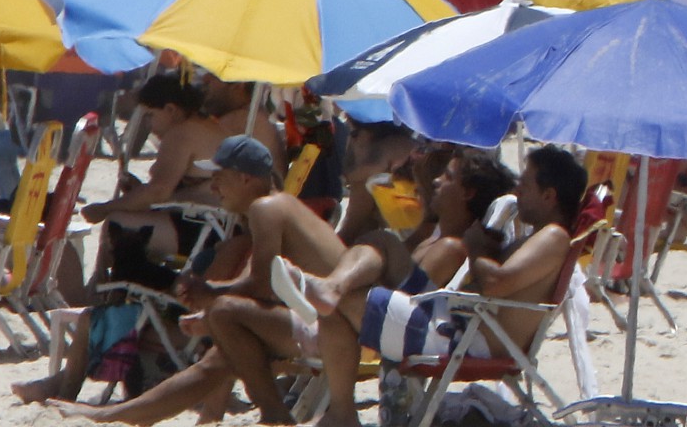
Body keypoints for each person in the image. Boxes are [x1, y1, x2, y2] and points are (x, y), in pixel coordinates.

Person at [278, 147, 586, 427]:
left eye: (526, 184)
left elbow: (496, 283)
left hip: (462, 340)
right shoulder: (541, 237)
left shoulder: (554, 236)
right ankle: (340, 412)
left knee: (341, 301)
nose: (518, 190)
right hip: (461, 329)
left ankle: (341, 411)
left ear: (549, 196)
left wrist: (478, 249)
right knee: (337, 302)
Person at [53, 136, 349, 425]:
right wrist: (210, 302)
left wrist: (208, 293)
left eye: (219, 176)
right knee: (213, 360)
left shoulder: (266, 209)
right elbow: (257, 282)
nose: (214, 186)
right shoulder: (275, 207)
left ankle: (273, 416)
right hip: (331, 324)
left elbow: (262, 286)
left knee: (224, 315)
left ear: (246, 179)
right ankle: (111, 416)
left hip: (335, 330)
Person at [85, 73, 231, 265]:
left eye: (150, 115)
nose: (149, 124)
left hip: (203, 230)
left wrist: (103, 209)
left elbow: (158, 191)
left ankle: (107, 289)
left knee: (116, 222)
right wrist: (138, 193)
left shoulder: (181, 134)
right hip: (221, 226)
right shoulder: (208, 126)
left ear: (171, 109)